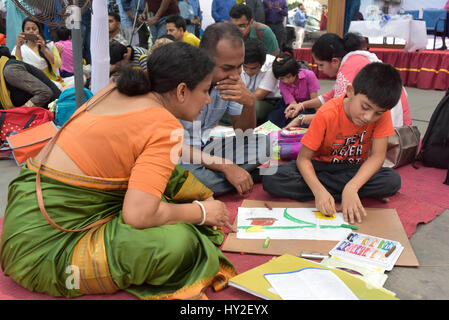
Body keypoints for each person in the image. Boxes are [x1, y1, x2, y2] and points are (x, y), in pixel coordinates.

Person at [0, 41, 237, 300]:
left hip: (24, 222)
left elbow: (159, 156)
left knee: (171, 181)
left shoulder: (116, 90)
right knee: (181, 243)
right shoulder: (163, 124)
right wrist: (201, 213)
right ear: (181, 91)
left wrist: (212, 179)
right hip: (46, 253)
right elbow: (138, 216)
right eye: (205, 91)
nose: (207, 100)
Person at [263, 62, 403, 224]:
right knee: (271, 178)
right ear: (350, 92)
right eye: (365, 107)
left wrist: (352, 187)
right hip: (319, 166)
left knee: (392, 180)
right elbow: (303, 159)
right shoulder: (327, 113)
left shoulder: (382, 115)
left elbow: (378, 156)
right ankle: (340, 193)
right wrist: (318, 191)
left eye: (377, 113)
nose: (368, 117)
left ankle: (347, 192)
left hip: (351, 169)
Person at [179, 22, 271, 196]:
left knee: (263, 144)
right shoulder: (179, 82)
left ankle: (216, 182)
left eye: (239, 66)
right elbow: (170, 145)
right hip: (178, 154)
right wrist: (224, 165)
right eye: (227, 68)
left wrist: (249, 103)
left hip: (204, 149)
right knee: (189, 175)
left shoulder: (233, 81)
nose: (236, 75)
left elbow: (244, 133)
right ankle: (237, 177)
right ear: (203, 57)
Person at [284, 33, 411, 129]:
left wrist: (302, 119)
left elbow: (338, 112)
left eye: (321, 65)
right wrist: (302, 105)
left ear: (335, 61)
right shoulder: (354, 59)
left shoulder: (347, 68)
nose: (320, 70)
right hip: (395, 114)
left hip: (387, 119)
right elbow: (331, 95)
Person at [220, 38, 281, 126]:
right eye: (245, 67)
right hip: (243, 98)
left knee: (252, 108)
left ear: (263, 62)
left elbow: (257, 96)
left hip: (268, 101)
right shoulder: (238, 62)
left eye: (253, 68)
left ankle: (233, 125)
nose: (248, 71)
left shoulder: (272, 65)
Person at [267, 50, 320, 128]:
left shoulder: (309, 75)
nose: (286, 81)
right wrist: (292, 111)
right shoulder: (282, 84)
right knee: (273, 118)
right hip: (289, 105)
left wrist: (319, 117)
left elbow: (315, 100)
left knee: (303, 121)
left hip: (308, 105)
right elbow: (292, 104)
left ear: (295, 72)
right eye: (282, 78)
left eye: (288, 77)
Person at [12, 18, 64, 90]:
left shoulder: (49, 45)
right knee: (59, 87)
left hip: (50, 80)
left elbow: (58, 64)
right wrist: (18, 46)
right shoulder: (19, 49)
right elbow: (17, 68)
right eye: (28, 29)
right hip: (32, 83)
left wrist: (44, 50)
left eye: (34, 29)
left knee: (79, 79)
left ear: (39, 30)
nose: (31, 31)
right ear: (23, 32)